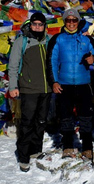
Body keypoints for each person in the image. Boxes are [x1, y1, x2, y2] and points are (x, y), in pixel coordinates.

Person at [46, 8, 94, 159]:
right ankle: (68, 146)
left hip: (84, 84)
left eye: (74, 20)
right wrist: (54, 82)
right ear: (64, 21)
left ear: (78, 21)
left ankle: (87, 147)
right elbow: (51, 61)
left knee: (85, 117)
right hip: (64, 84)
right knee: (66, 117)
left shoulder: (86, 39)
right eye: (68, 20)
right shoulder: (57, 39)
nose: (71, 23)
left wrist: (93, 59)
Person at [8, 12, 51, 172]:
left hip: (46, 88)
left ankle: (35, 149)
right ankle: (24, 156)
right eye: (35, 24)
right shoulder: (22, 41)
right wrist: (13, 86)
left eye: (41, 24)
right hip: (28, 88)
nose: (38, 27)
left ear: (44, 26)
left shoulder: (48, 41)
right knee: (27, 123)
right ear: (30, 24)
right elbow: (13, 65)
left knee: (41, 122)